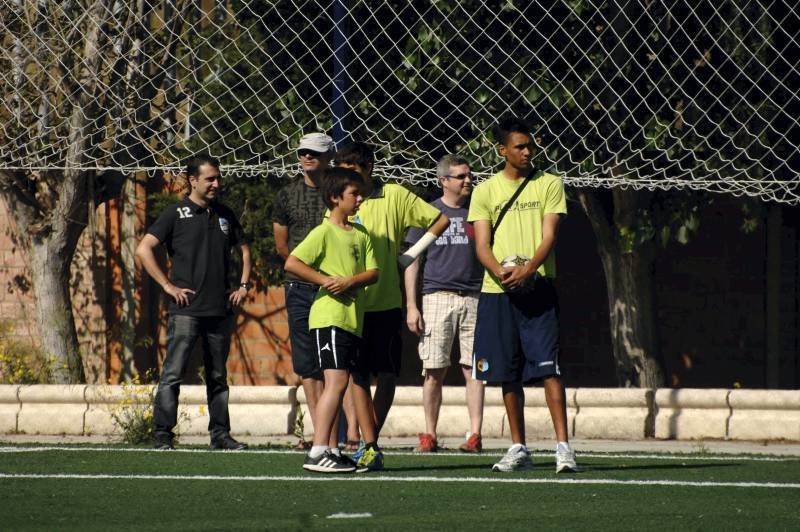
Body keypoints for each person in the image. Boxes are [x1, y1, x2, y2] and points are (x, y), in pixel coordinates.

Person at [467, 116, 578, 473]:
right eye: (520, 146)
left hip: (537, 288)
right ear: (503, 151)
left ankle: (564, 448)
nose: (528, 151)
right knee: (507, 372)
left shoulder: (549, 184)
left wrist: (528, 269)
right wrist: (500, 271)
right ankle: (519, 447)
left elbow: (549, 236)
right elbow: (482, 245)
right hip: (496, 291)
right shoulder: (484, 191)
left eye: (530, 145)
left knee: (549, 368)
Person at [333, 142, 449, 464]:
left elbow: (439, 221)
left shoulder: (394, 195)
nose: (348, 182)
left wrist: (409, 255)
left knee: (385, 375)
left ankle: (372, 440)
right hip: (351, 305)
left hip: (385, 303)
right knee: (357, 375)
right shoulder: (340, 200)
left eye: (352, 173)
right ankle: (367, 443)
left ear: (368, 170)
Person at [136, 154, 251, 450]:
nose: (216, 183)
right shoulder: (176, 213)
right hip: (187, 310)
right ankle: (163, 435)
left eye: (218, 178)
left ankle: (220, 435)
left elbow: (244, 249)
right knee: (173, 374)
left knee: (217, 376)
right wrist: (167, 285)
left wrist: (243, 285)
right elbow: (144, 249)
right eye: (210, 179)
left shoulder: (225, 214)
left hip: (220, 310)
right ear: (193, 181)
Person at [285, 168, 379, 473]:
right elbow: (292, 262)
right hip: (329, 318)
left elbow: (373, 272)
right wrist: (325, 280)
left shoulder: (361, 233)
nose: (360, 198)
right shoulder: (323, 232)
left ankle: (331, 449)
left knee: (339, 382)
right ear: (335, 198)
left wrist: (351, 281)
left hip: (352, 320)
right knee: (336, 382)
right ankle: (318, 451)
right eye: (354, 194)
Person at [272, 133, 359, 449]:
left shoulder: (340, 193)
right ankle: (322, 436)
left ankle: (351, 435)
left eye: (314, 153)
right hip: (301, 288)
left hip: (338, 291)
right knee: (309, 365)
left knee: (339, 364)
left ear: (328, 156)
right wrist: (314, 274)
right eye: (303, 152)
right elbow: (283, 247)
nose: (307, 157)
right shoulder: (286, 196)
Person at [404, 154, 486, 453]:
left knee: (474, 369)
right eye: (461, 176)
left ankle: (475, 434)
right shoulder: (429, 213)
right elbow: (412, 260)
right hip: (437, 296)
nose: (468, 181)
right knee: (434, 369)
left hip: (474, 298)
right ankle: (429, 434)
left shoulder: (478, 212)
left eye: (469, 175)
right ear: (444, 181)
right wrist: (412, 306)